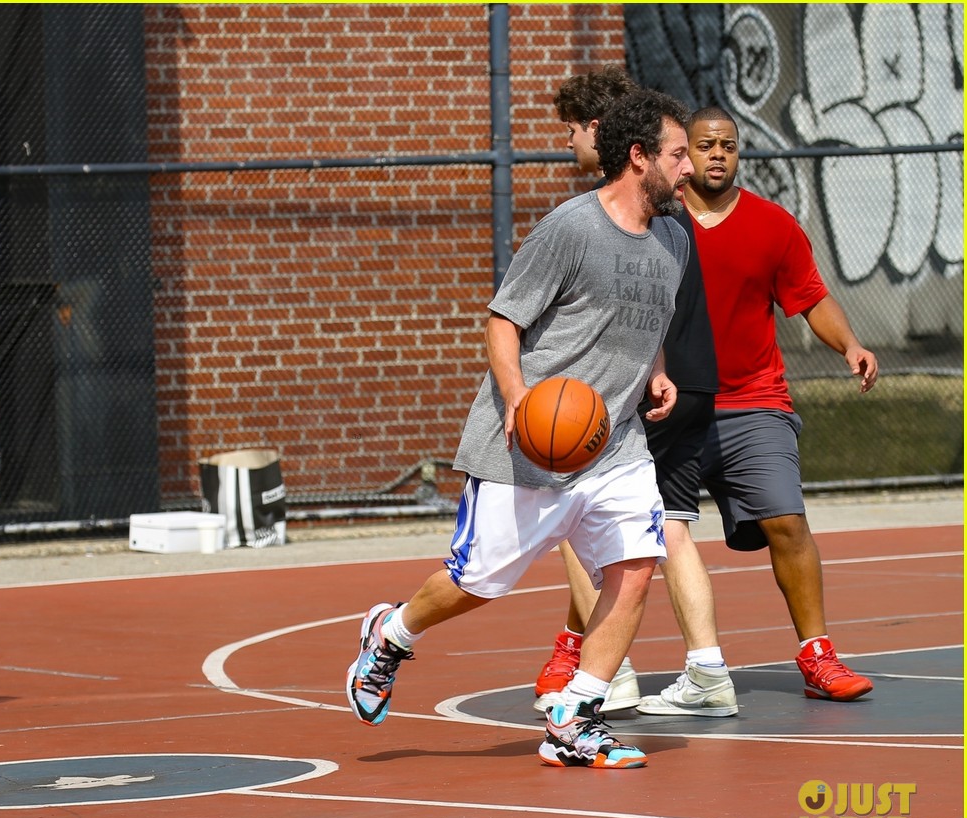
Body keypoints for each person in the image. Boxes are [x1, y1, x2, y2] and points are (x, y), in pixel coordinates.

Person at [346, 88, 695, 769]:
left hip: (615, 443)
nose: (687, 168)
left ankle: (575, 715)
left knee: (636, 568)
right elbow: (504, 319)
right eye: (677, 154)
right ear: (637, 157)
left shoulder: (674, 240)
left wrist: (656, 370)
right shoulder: (571, 228)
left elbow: (647, 319)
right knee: (476, 582)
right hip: (534, 444)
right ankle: (391, 633)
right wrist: (516, 397)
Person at [533, 68, 738, 719]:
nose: (568, 143)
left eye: (573, 130)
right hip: (696, 376)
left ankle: (609, 670)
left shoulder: (612, 213)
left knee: (570, 511)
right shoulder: (672, 209)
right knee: (668, 527)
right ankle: (707, 670)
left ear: (602, 132)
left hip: (638, 394)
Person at [680, 106, 877, 701]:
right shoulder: (656, 221)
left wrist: (850, 344)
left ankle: (818, 656)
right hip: (668, 409)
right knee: (619, 535)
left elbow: (812, 299)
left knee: (788, 522)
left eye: (729, 146)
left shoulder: (773, 225)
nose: (718, 154)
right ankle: (575, 654)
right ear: (683, 152)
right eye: (706, 144)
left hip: (753, 403)